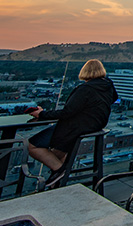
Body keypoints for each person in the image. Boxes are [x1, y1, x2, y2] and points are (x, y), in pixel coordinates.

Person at [27, 59, 118, 189]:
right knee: (58, 151)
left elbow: (67, 112)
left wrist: (41, 114)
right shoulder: (108, 84)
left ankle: (60, 170)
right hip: (96, 125)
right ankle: (57, 182)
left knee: (32, 145)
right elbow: (113, 98)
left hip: (77, 127)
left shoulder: (84, 89)